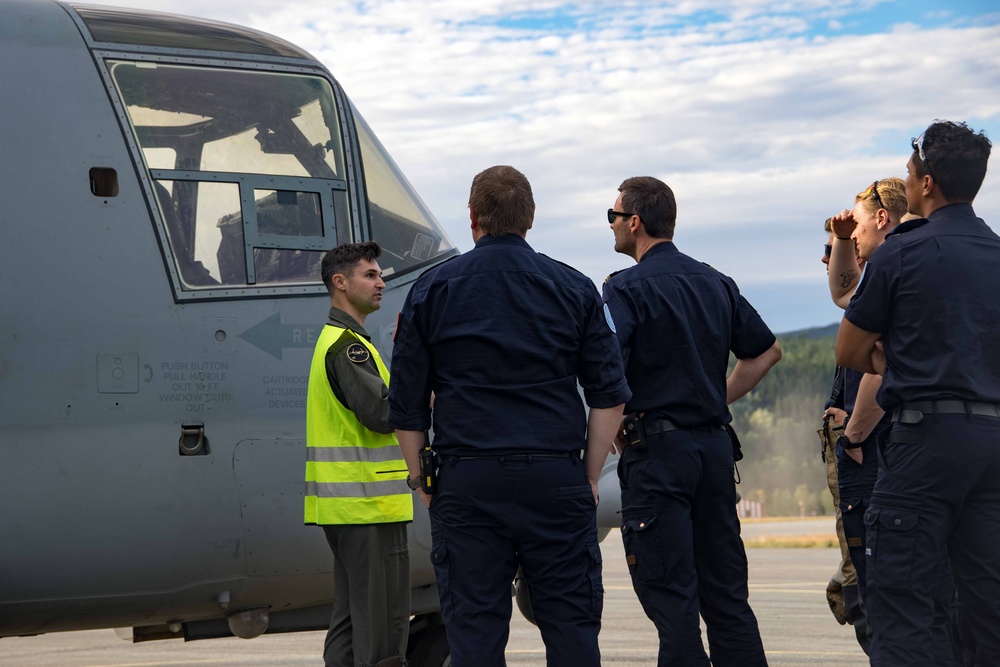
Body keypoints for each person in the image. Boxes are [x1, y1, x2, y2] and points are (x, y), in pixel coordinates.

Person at [388, 165, 630, 667]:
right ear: (532, 217)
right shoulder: (573, 287)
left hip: (467, 482)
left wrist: (422, 481)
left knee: (474, 640)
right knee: (572, 633)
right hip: (554, 478)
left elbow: (406, 407)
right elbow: (609, 395)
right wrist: (586, 476)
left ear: (472, 217)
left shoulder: (432, 290)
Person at [836, 120, 997, 666]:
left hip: (925, 441)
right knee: (985, 606)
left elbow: (849, 350)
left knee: (903, 602)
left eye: (910, 173)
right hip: (992, 441)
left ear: (927, 184)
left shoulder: (899, 253)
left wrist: (894, 356)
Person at [603, 176, 782, 667]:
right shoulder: (715, 281)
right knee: (728, 601)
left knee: (675, 606)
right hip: (714, 451)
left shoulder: (624, 288)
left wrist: (610, 433)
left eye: (614, 217)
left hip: (659, 458)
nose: (612, 227)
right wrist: (712, 396)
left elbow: (607, 375)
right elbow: (767, 352)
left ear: (634, 222)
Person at [304, 241, 412, 667]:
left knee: (350, 625)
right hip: (369, 509)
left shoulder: (339, 340)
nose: (381, 282)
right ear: (340, 283)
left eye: (380, 274)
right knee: (383, 629)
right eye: (370, 275)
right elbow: (383, 413)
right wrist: (423, 378)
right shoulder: (348, 347)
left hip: (348, 510)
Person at [826, 178, 907, 654]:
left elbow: (879, 359)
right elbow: (844, 292)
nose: (851, 238)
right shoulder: (911, 263)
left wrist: (853, 433)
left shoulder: (894, 266)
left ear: (881, 218)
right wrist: (840, 239)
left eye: (856, 225)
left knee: (873, 585)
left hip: (877, 449)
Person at [817, 218, 867, 646]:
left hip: (864, 457)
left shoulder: (877, 293)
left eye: (832, 253)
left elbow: (876, 372)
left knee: (865, 585)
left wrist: (852, 430)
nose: (826, 259)